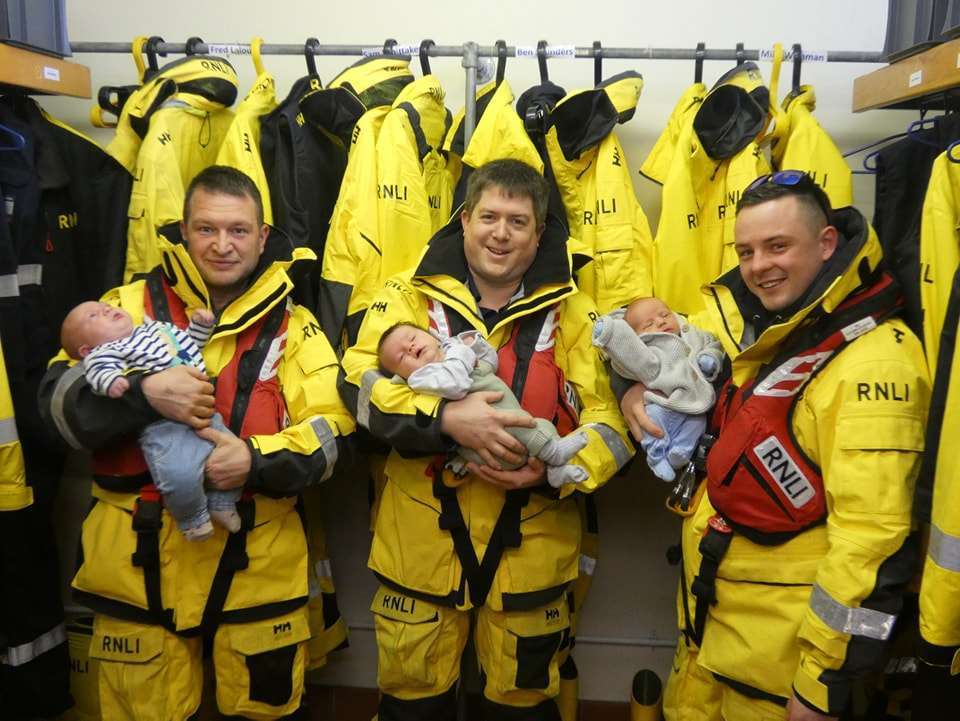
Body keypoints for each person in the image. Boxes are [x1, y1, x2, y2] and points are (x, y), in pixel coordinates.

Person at [38, 165, 355, 721]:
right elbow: (55, 409)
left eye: (238, 231)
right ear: (184, 230)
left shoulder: (296, 325)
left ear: (262, 236)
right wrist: (144, 394)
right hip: (137, 565)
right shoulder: (121, 306)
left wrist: (252, 459)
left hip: (258, 563)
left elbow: (336, 434)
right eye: (207, 229)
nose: (223, 245)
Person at [617, 171, 930, 721]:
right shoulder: (772, 327)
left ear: (827, 243)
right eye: (746, 251)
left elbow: (872, 542)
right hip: (712, 646)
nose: (759, 266)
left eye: (777, 246)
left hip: (777, 680)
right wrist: (632, 388)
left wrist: (820, 685)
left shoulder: (873, 361)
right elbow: (654, 345)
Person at [340, 158, 632, 721]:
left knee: (522, 710)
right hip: (418, 551)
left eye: (518, 221)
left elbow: (612, 421)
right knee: (410, 711)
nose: (501, 233)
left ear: (539, 232)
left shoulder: (574, 309)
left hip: (533, 550)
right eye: (490, 217)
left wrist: (551, 471)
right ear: (465, 218)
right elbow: (356, 383)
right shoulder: (404, 295)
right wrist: (444, 422)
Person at [61, 300, 240, 539]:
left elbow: (187, 346)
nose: (105, 309)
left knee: (232, 453)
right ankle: (192, 518)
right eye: (93, 316)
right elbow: (98, 371)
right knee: (179, 473)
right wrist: (113, 383)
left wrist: (199, 328)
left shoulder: (153, 329)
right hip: (164, 425)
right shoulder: (104, 352)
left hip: (206, 412)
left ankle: (222, 503)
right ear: (86, 350)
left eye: (105, 306)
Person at [377, 322, 588, 485]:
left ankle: (555, 472)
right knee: (525, 425)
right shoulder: (422, 378)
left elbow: (489, 365)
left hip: (509, 432)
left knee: (540, 424)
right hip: (494, 440)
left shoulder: (450, 349)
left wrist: (476, 345)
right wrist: (461, 352)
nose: (411, 348)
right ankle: (554, 453)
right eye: (402, 356)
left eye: (412, 337)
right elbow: (456, 384)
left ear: (430, 335)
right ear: (402, 376)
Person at [592, 297, 723, 481]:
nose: (661, 321)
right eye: (649, 324)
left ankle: (680, 451)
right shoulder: (646, 351)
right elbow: (628, 356)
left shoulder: (692, 335)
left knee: (697, 421)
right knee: (654, 419)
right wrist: (611, 333)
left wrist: (710, 357)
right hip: (661, 400)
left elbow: (713, 343)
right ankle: (656, 455)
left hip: (694, 397)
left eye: (665, 315)